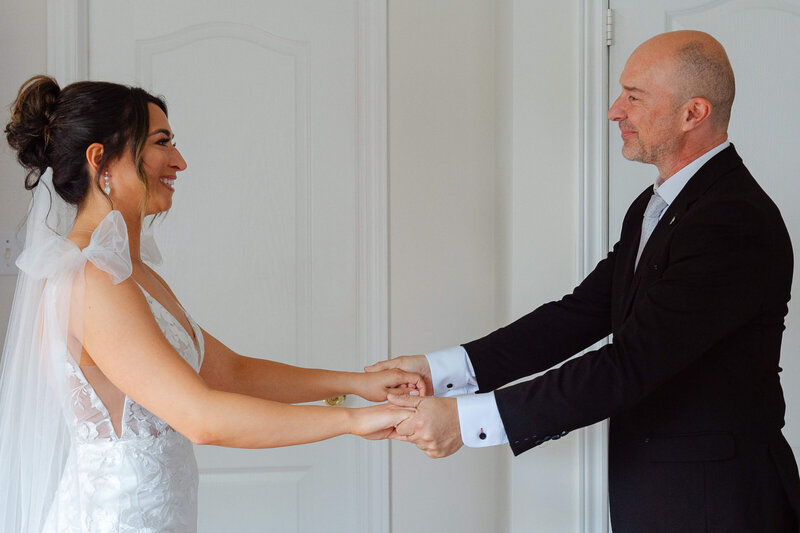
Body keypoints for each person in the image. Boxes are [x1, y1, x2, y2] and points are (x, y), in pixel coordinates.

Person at [367, 30, 800, 531]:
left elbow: (629, 364)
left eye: (634, 97)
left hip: (719, 503)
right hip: (660, 494)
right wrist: (439, 370)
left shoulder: (733, 219)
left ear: (693, 113)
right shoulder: (655, 207)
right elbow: (578, 314)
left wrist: (467, 421)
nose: (616, 110)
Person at [0, 75, 421, 532]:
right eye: (162, 143)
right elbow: (200, 416)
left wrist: (356, 383)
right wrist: (352, 423)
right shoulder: (91, 279)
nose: (178, 161)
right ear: (100, 158)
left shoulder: (129, 272)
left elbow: (230, 372)